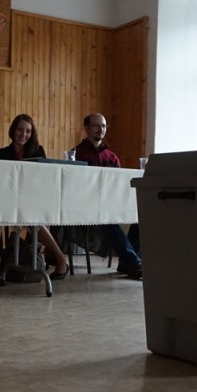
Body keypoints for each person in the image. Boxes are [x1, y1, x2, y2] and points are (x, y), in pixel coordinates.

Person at [0, 114, 70, 285]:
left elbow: (42, 179)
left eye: (28, 131)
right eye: (20, 130)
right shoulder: (2, 153)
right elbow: (0, 181)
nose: (23, 134)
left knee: (31, 217)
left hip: (31, 199)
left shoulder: (38, 151)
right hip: (8, 199)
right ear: (13, 131)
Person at [73, 113, 142, 280]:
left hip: (111, 202)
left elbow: (119, 183)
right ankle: (132, 261)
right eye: (96, 126)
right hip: (87, 204)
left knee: (140, 214)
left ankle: (129, 260)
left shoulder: (112, 157)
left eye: (103, 126)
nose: (101, 129)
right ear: (87, 128)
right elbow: (75, 185)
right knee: (107, 217)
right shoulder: (77, 154)